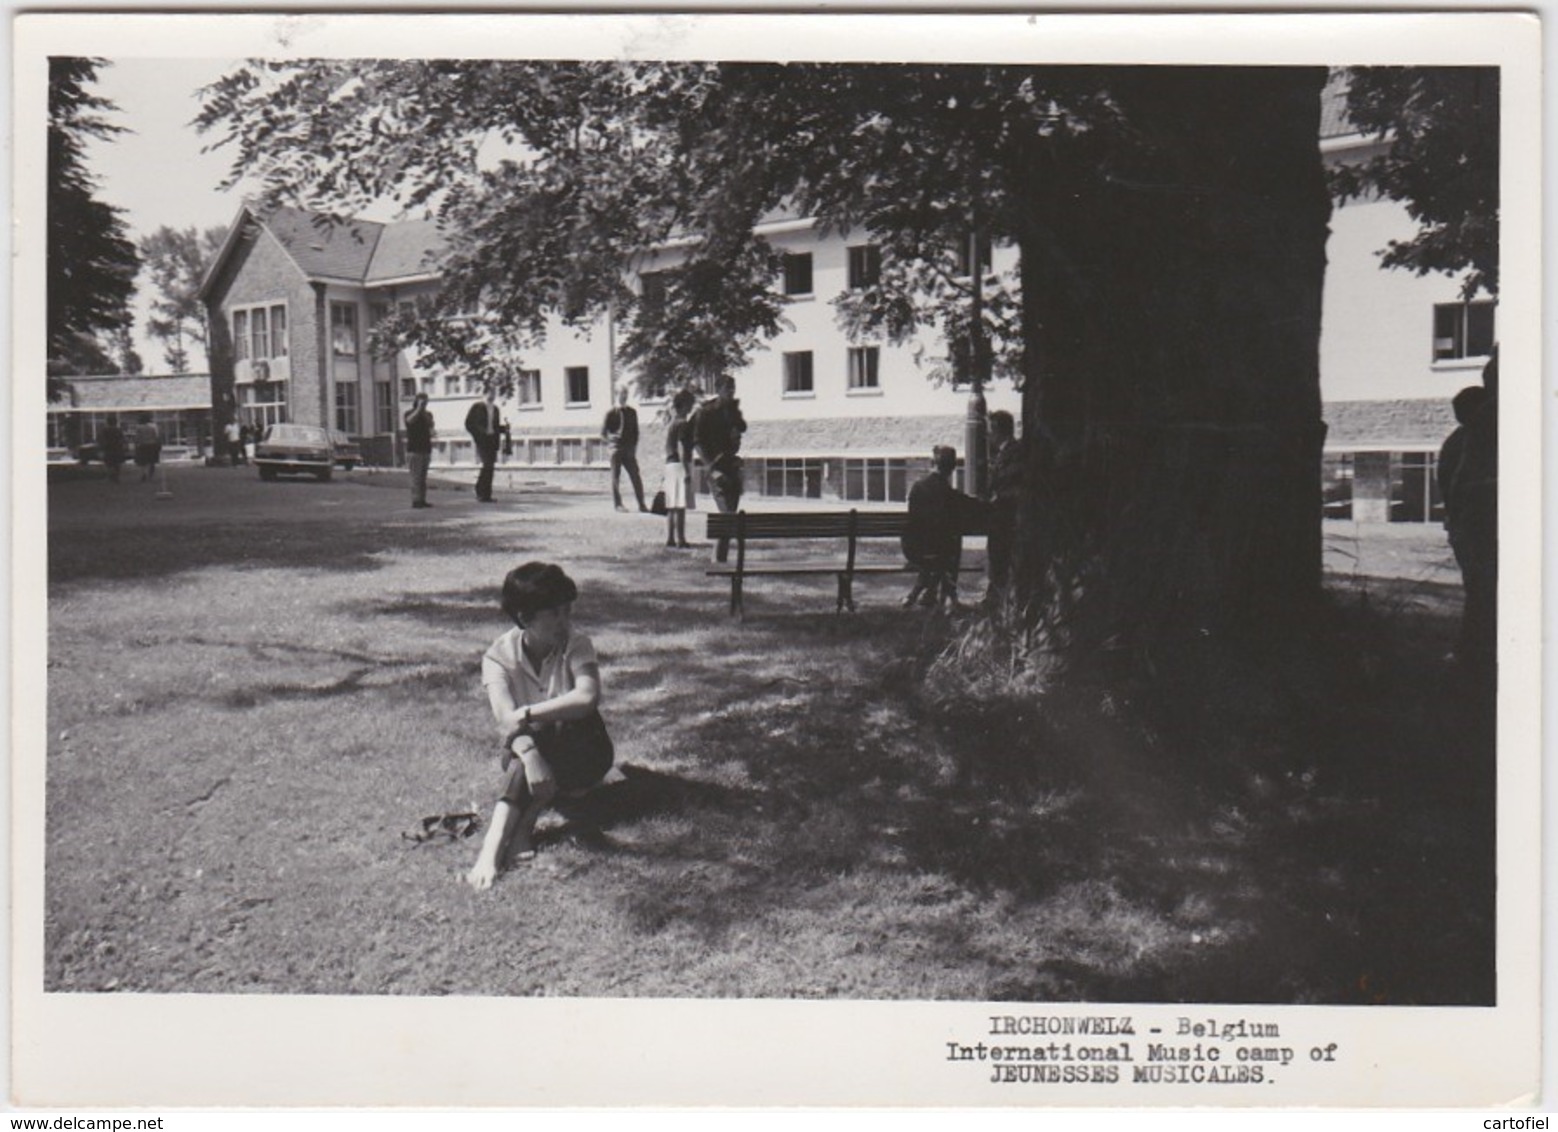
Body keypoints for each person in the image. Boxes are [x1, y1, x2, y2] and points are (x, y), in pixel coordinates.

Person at [467, 562, 615, 891]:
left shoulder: (577, 643)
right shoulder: (498, 657)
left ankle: (513, 831)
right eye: (554, 614)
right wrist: (531, 755)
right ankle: (500, 844)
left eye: (567, 611)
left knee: (560, 722)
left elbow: (587, 697)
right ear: (524, 618)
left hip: (585, 751)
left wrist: (528, 714)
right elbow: (505, 718)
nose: (565, 622)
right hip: (534, 753)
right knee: (525, 754)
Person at [1440, 359, 1498, 673]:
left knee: (1480, 592)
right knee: (1482, 591)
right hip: (1473, 525)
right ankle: (1471, 654)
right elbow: (1461, 487)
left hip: (1466, 526)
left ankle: (1471, 653)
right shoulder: (1471, 437)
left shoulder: (1462, 438)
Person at [902, 445, 982, 610]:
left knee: (940, 547)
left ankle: (923, 594)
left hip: (914, 548)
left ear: (933, 463)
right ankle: (946, 597)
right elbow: (975, 507)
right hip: (941, 551)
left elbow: (913, 521)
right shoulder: (950, 495)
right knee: (950, 544)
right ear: (953, 468)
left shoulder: (917, 488)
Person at [690, 375, 747, 562]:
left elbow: (739, 432)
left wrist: (736, 441)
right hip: (716, 469)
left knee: (728, 515)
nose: (731, 392)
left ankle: (719, 558)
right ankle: (718, 559)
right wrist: (711, 468)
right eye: (728, 389)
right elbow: (697, 442)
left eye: (734, 388)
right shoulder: (706, 412)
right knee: (727, 516)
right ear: (719, 389)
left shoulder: (733, 410)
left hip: (732, 468)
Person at [984, 410, 1025, 602]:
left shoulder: (1016, 452)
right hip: (1000, 517)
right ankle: (996, 596)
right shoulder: (1001, 453)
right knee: (997, 558)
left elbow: (1017, 486)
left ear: (998, 430)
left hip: (1009, 517)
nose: (988, 436)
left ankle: (999, 598)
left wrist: (997, 496)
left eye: (990, 431)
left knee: (1003, 559)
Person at [602, 386, 648, 512]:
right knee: (615, 477)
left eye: (626, 394)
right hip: (616, 448)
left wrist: (633, 447)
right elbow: (603, 433)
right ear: (617, 394)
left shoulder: (632, 412)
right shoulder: (611, 412)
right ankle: (618, 504)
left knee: (635, 475)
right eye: (622, 394)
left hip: (628, 449)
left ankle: (642, 504)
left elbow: (636, 432)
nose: (624, 396)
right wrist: (611, 446)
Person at [662, 389, 696, 549]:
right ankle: (681, 539)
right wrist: (687, 471)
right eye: (689, 405)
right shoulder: (683, 424)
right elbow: (682, 447)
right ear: (683, 405)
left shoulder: (672, 423)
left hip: (669, 464)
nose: (691, 408)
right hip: (680, 465)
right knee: (680, 505)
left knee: (671, 505)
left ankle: (670, 538)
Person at [464, 387, 503, 502]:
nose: (493, 395)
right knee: (487, 464)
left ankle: (487, 494)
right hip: (482, 440)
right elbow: (469, 423)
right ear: (485, 393)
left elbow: (494, 426)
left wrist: (503, 429)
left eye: (494, 393)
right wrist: (479, 433)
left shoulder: (495, 409)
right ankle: (480, 491)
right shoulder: (478, 407)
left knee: (490, 467)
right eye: (491, 392)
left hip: (492, 439)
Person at [404, 392, 436, 509]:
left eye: (426, 401)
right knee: (415, 477)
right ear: (416, 401)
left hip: (425, 448)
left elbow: (431, 426)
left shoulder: (428, 415)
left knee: (423, 477)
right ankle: (416, 500)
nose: (424, 403)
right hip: (414, 449)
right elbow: (409, 421)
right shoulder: (409, 413)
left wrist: (423, 413)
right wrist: (418, 409)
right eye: (422, 400)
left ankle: (422, 499)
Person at [133, 415, 162, 482]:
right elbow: (156, 436)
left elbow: (137, 437)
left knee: (143, 461)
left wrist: (136, 444)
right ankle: (150, 475)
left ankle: (143, 473)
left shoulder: (139, 428)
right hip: (152, 444)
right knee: (151, 460)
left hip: (143, 445)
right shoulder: (152, 427)